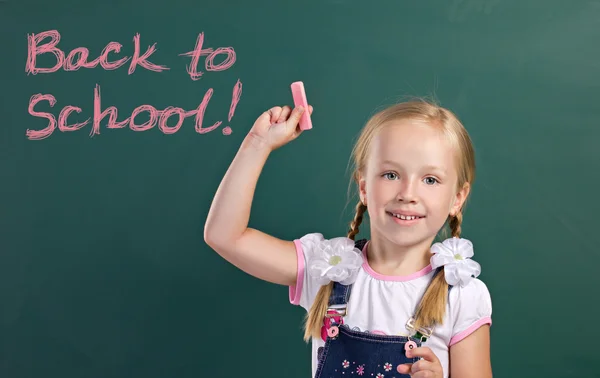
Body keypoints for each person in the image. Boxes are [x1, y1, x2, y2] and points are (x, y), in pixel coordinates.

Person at [204, 98, 493, 378]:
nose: (408, 193)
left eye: (430, 180)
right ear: (364, 187)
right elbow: (225, 236)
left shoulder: (462, 295)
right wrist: (257, 143)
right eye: (391, 174)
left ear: (457, 198)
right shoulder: (326, 268)